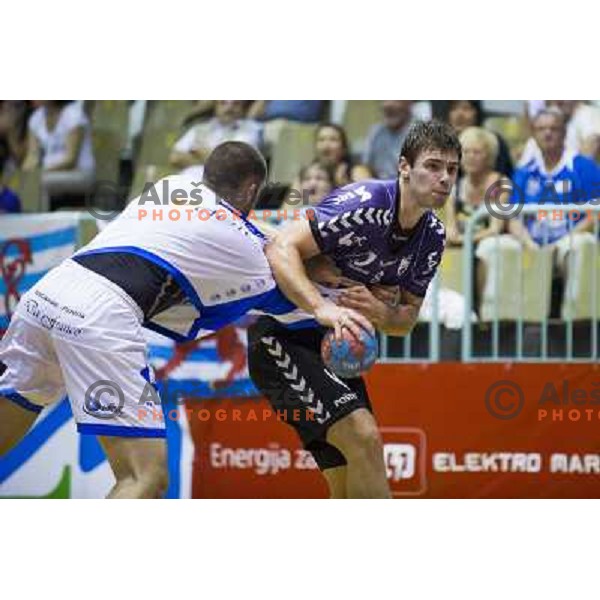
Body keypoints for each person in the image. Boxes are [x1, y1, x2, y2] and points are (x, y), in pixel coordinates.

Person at [0, 141, 367, 498]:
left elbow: (260, 237)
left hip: (45, 295)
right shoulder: (237, 243)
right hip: (99, 315)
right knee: (144, 478)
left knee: (17, 407)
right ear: (253, 189)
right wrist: (344, 303)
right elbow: (284, 279)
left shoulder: (171, 186)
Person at [248, 120, 461, 499]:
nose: (444, 178)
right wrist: (320, 308)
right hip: (282, 339)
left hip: (334, 351)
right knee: (365, 440)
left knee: (347, 481)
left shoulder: (433, 237)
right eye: (433, 165)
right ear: (404, 167)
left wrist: (380, 312)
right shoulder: (364, 202)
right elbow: (280, 247)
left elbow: (405, 322)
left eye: (452, 169)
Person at [508, 108, 600, 302]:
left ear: (564, 133)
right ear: (533, 134)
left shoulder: (584, 167)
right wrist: (527, 242)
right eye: (541, 129)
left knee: (581, 245)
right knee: (495, 247)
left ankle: (577, 320)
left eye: (554, 128)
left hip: (571, 238)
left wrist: (561, 243)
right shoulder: (524, 172)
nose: (547, 133)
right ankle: (503, 322)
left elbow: (596, 213)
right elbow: (513, 217)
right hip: (532, 240)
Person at [22, 101, 95, 210]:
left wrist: (41, 172)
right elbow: (32, 156)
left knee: (41, 182)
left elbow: (70, 160)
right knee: (25, 182)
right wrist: (24, 174)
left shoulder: (73, 115)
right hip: (48, 172)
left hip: (79, 172)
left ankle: (40, 219)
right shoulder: (36, 118)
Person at [169, 100, 263, 178]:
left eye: (235, 104)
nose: (229, 108)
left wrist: (197, 154)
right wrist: (216, 161)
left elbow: (236, 164)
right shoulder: (199, 128)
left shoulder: (250, 129)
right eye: (223, 103)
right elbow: (175, 158)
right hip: (185, 183)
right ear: (215, 106)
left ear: (243, 107)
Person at [445, 100, 513, 177]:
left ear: (476, 112)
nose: (459, 114)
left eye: (466, 108)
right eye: (454, 109)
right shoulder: (445, 145)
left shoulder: (492, 141)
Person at [363, 101, 414, 179]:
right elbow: (365, 166)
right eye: (385, 100)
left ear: (409, 104)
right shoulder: (375, 132)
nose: (388, 104)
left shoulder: (420, 133)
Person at [312, 123, 371, 187]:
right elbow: (301, 196)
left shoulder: (357, 171)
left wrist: (343, 186)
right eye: (321, 140)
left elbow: (369, 195)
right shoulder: (309, 173)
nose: (326, 145)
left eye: (333, 140)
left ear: (344, 148)